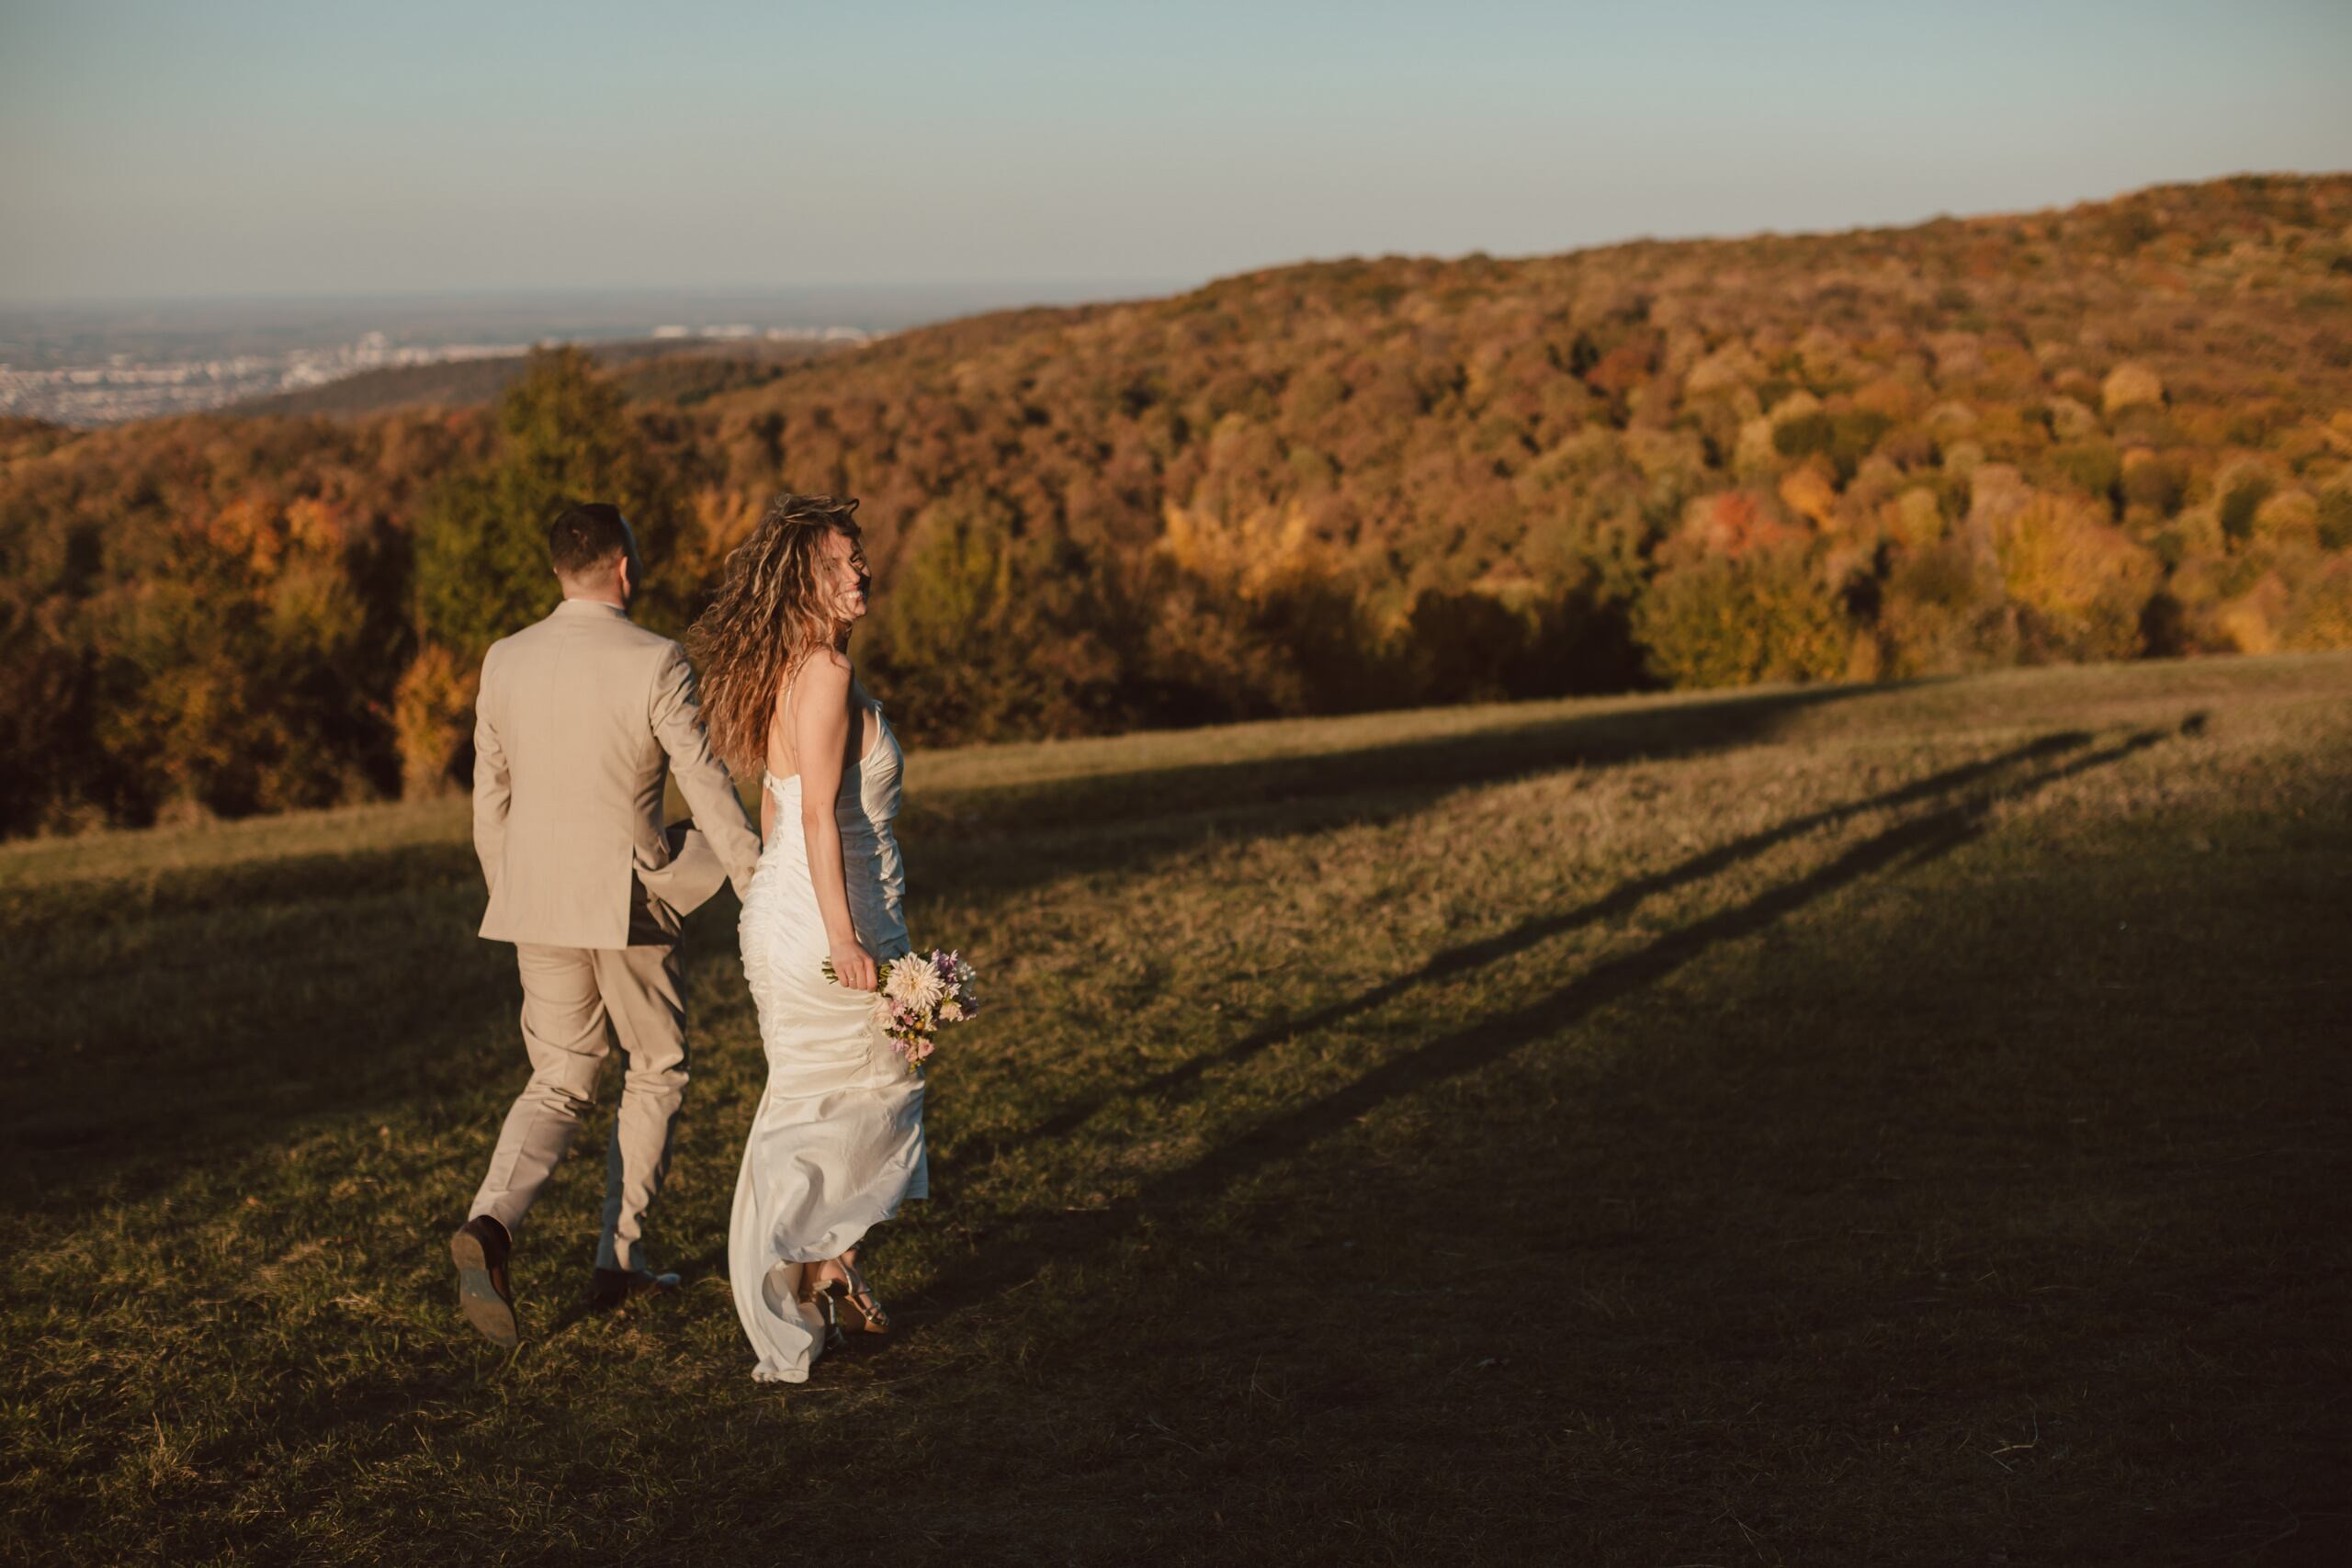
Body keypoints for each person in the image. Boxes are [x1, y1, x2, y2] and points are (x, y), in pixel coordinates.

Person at [448, 502, 763, 1348]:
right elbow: (704, 782)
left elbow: (489, 798)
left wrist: (512, 891)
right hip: (627, 906)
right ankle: (620, 1258)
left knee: (559, 1075)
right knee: (655, 1066)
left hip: (534, 900)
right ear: (624, 566)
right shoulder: (656, 659)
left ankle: (490, 1221)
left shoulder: (505, 658)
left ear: (560, 570)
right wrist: (757, 882)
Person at [687, 492, 924, 1383]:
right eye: (835, 563)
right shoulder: (821, 670)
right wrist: (844, 939)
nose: (857, 570)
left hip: (793, 908)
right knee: (874, 1089)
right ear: (802, 582)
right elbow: (816, 816)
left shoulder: (792, 668)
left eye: (856, 555)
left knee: (828, 1097)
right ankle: (819, 1262)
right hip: (823, 919)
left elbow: (776, 808)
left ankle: (824, 1265)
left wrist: (784, 906)